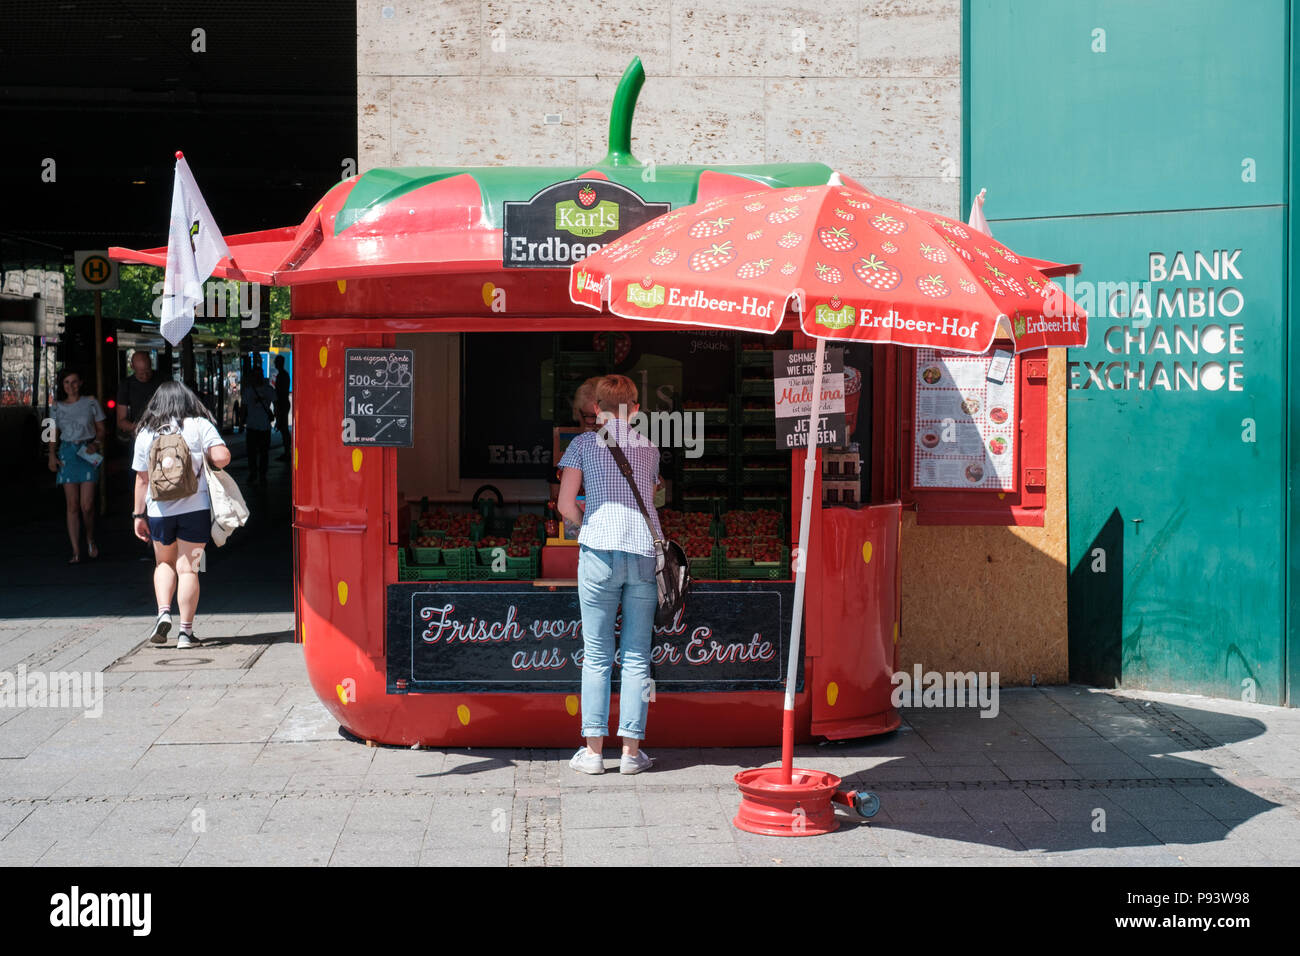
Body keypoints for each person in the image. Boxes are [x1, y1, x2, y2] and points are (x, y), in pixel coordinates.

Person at [557, 374, 661, 775]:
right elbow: (651, 499)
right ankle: (632, 755)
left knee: (597, 654)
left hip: (599, 551)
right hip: (642, 553)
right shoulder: (649, 448)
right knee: (637, 655)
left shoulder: (582, 444)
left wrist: (588, 525)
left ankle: (594, 753)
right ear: (636, 409)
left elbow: (566, 503)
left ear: (596, 408)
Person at [131, 381, 230, 649]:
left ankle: (164, 612)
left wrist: (138, 515)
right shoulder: (199, 425)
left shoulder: (145, 433)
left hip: (159, 512)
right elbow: (222, 457)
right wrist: (206, 460)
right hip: (195, 511)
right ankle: (185, 633)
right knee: (189, 569)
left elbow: (142, 480)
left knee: (164, 563)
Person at [47, 368, 106, 563]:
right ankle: (75, 550)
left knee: (86, 505)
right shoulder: (55, 406)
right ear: (62, 385)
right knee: (72, 505)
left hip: (87, 452)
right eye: (66, 383)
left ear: (80, 383)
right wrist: (51, 455)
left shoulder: (91, 402)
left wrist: (96, 443)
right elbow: (50, 431)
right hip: (67, 453)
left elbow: (101, 429)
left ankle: (89, 538)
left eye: (73, 382)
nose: (70, 386)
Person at [241, 364, 276, 484]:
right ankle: (256, 473)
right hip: (253, 425)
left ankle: (260, 474)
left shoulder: (267, 390)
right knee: (255, 453)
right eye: (255, 375)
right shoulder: (250, 391)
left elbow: (244, 407)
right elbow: (244, 407)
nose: (257, 378)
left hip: (263, 426)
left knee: (262, 452)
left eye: (258, 375)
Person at [115, 350, 160, 441]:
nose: (145, 376)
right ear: (132, 367)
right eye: (141, 374)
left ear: (151, 364)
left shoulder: (163, 380)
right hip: (138, 434)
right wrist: (136, 428)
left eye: (148, 371)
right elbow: (121, 421)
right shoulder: (126, 385)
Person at [272, 353, 291, 459]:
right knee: (283, 427)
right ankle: (286, 450)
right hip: (283, 403)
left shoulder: (282, 375)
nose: (275, 364)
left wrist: (277, 406)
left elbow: (280, 391)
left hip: (282, 403)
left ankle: (287, 451)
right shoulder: (283, 374)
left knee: (283, 427)